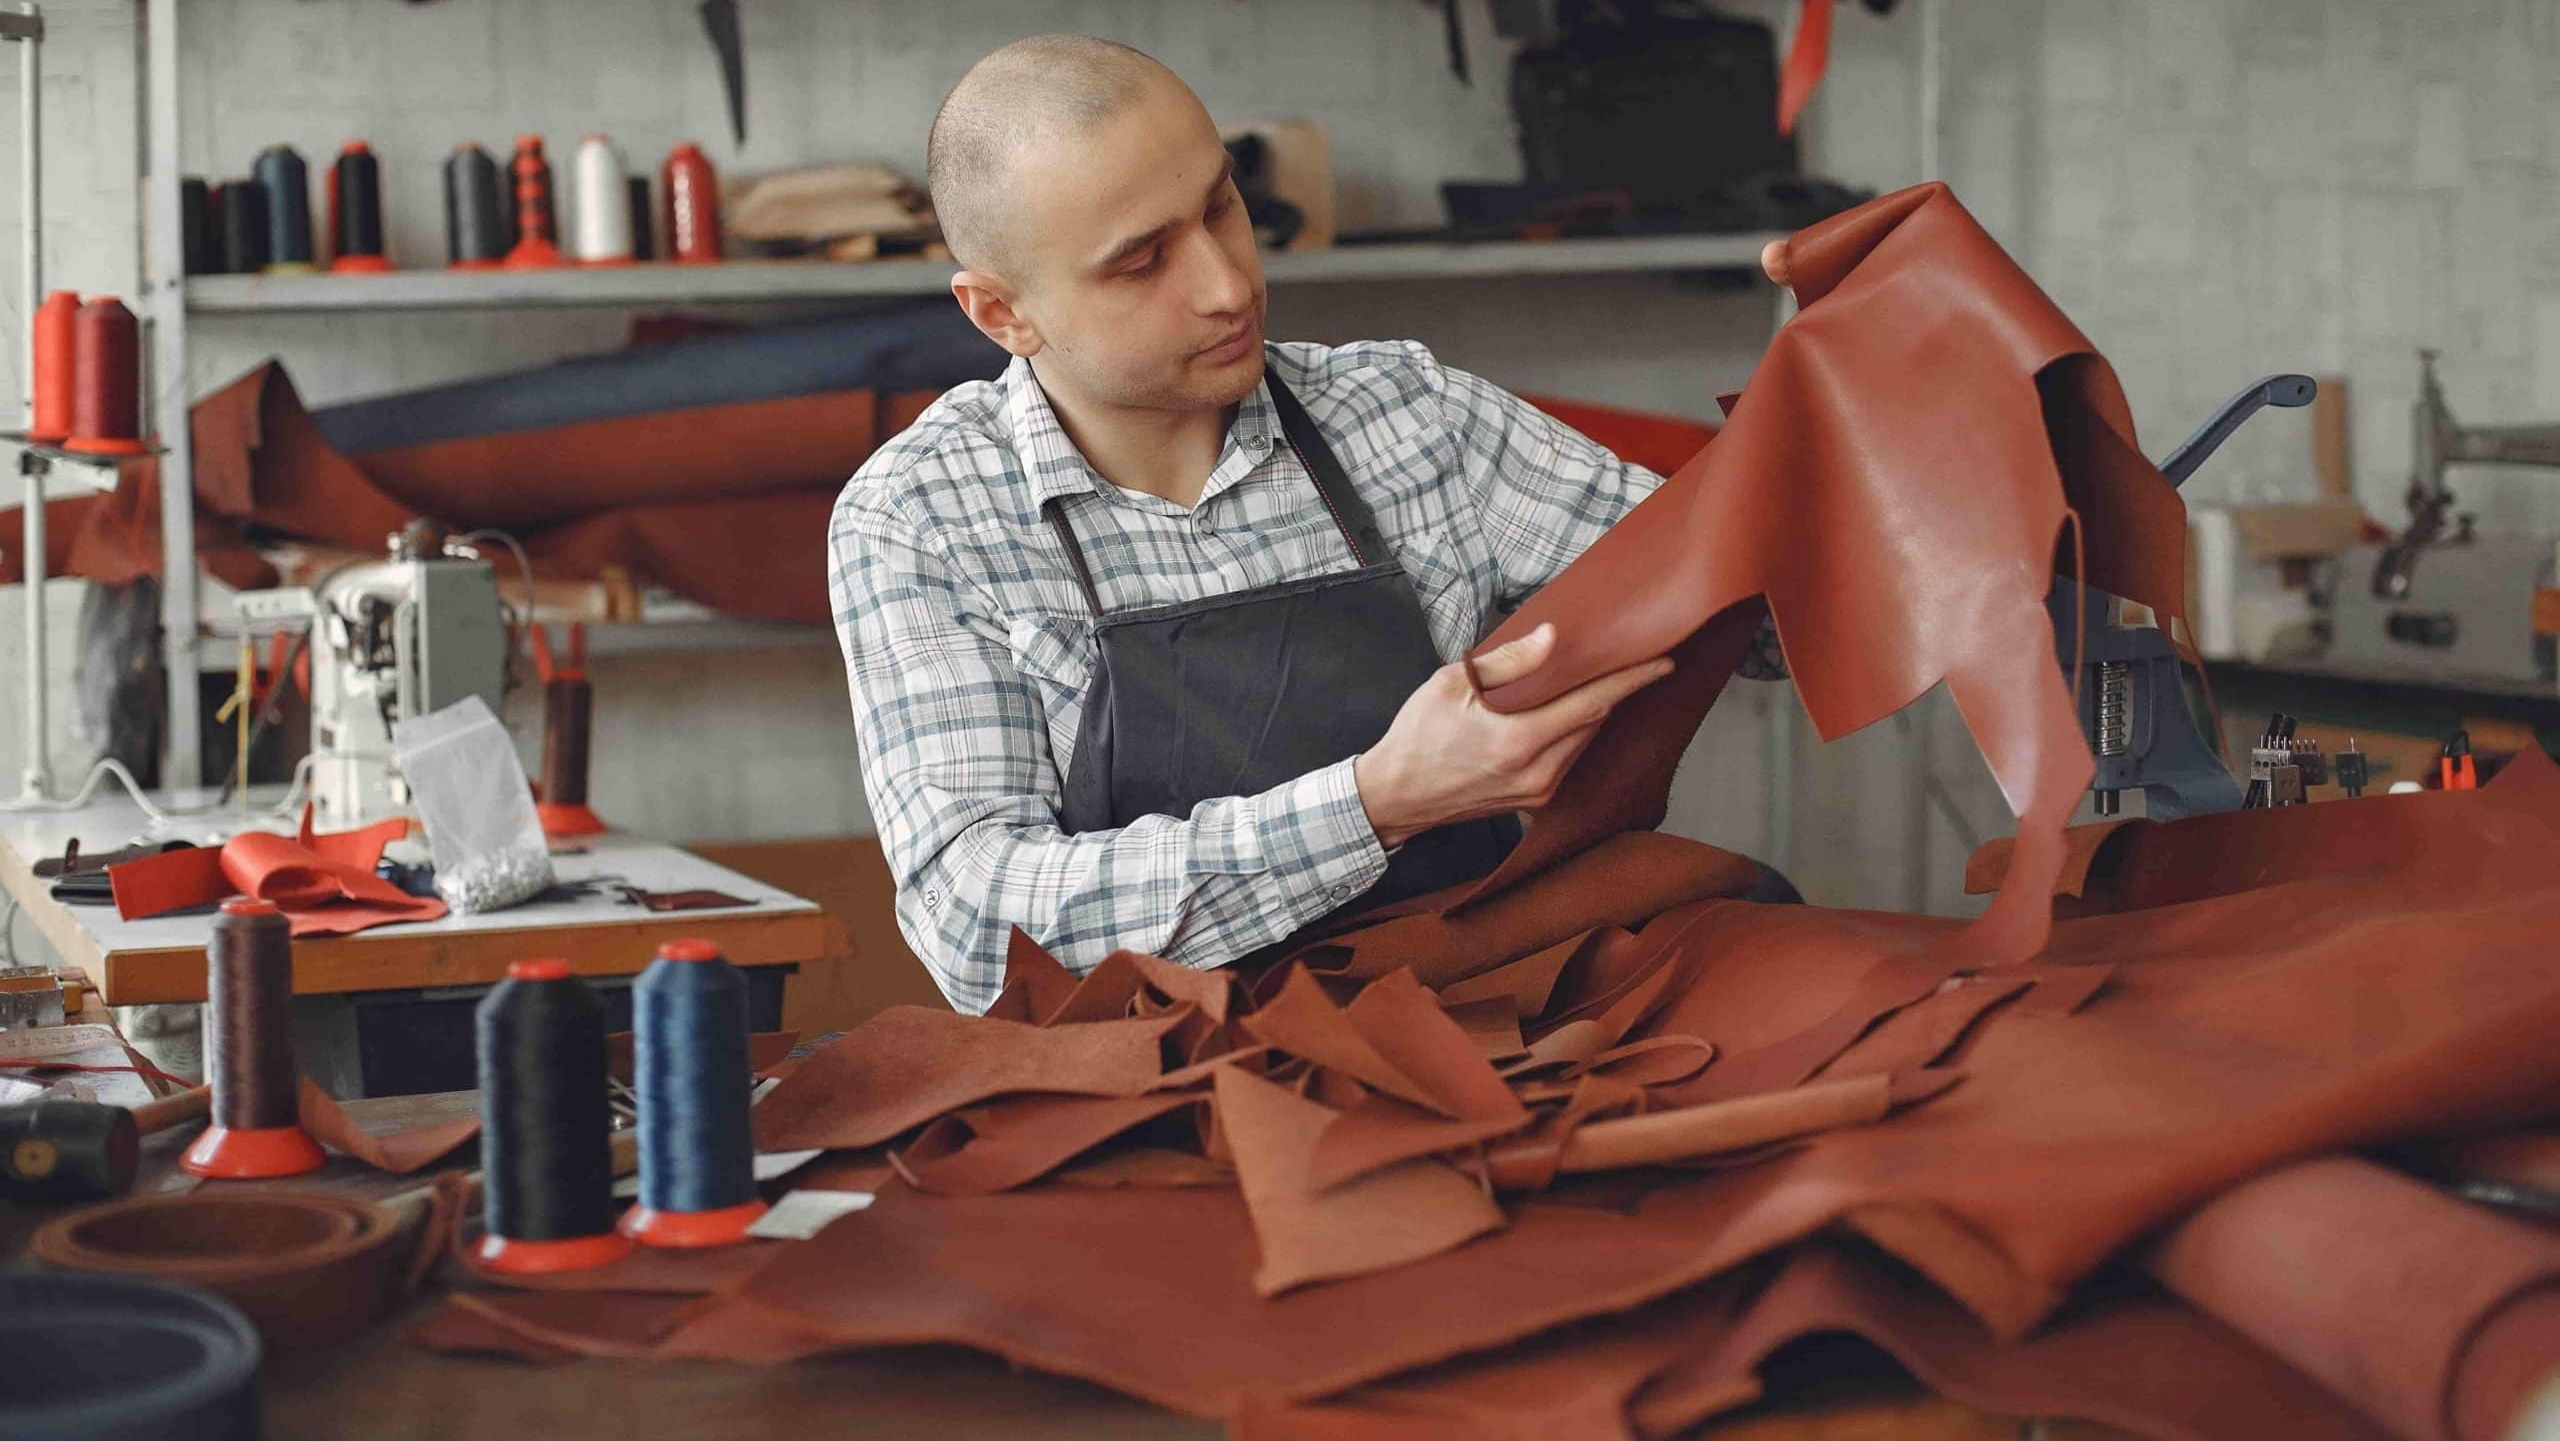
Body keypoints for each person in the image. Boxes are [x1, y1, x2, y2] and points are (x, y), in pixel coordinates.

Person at [830, 35, 1693, 1013]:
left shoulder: (1408, 415)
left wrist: (1842, 388)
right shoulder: (923, 517)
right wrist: (1378, 802)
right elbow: (978, 932)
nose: (1228, 285)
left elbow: (1742, 601)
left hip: (1487, 1002)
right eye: (1142, 262)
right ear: (1001, 313)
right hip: (1158, 1075)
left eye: (1221, 207)